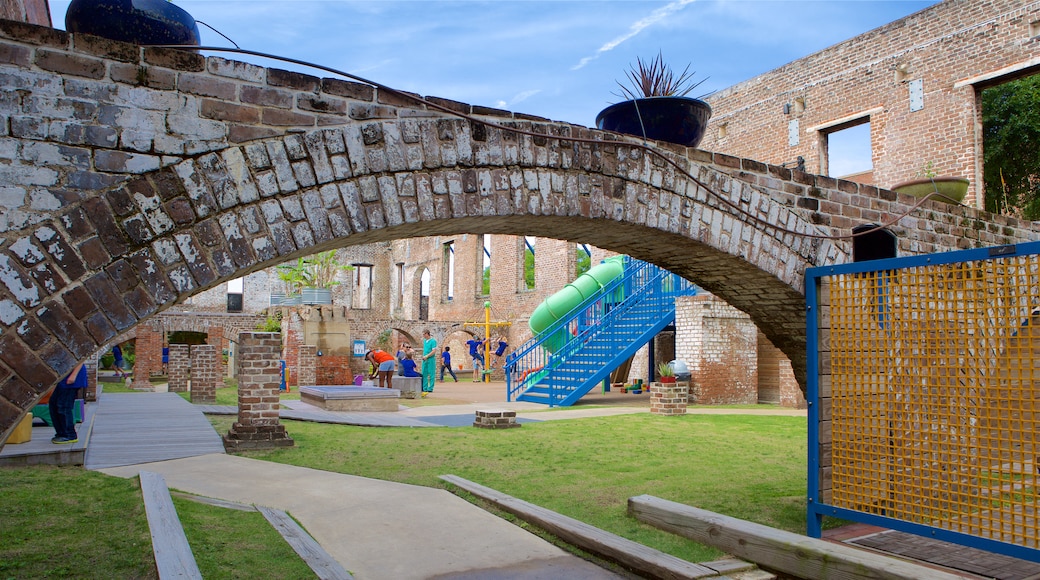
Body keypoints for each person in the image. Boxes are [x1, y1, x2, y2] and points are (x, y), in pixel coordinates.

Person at [51, 361, 85, 444]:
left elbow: (81, 358)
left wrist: (73, 375)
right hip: (64, 377)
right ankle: (61, 433)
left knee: (64, 407)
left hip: (71, 377)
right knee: (53, 404)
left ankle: (70, 435)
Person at [420, 330, 437, 397]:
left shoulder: (433, 341)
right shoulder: (424, 341)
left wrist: (427, 356)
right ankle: (425, 387)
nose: (423, 336)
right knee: (424, 373)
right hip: (425, 359)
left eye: (424, 334)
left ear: (427, 334)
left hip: (430, 359)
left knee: (431, 373)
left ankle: (430, 387)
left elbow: (434, 351)